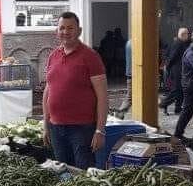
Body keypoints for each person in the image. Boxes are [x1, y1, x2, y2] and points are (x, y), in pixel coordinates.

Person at [43, 12, 108, 169]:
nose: (65, 32)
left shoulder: (90, 56)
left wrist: (100, 130)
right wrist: (45, 124)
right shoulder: (53, 56)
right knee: (62, 172)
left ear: (79, 31)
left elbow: (103, 97)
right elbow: (48, 91)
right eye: (62, 28)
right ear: (57, 31)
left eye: (70, 28)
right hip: (56, 128)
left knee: (82, 174)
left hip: (82, 129)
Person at [160, 27, 190, 114]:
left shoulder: (178, 43)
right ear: (183, 35)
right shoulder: (179, 44)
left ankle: (178, 108)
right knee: (177, 90)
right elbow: (172, 57)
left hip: (178, 70)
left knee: (180, 90)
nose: (188, 35)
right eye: (187, 34)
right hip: (177, 70)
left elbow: (167, 54)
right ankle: (164, 103)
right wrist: (168, 68)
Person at [117, 38, 132, 114]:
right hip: (134, 74)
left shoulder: (129, 42)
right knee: (129, 97)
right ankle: (119, 114)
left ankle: (120, 113)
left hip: (130, 73)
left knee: (130, 97)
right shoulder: (137, 44)